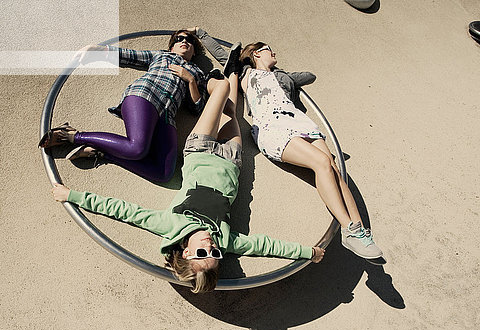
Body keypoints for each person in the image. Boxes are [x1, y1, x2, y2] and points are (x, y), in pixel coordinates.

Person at [51, 65, 325, 293]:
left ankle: (206, 81)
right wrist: (307, 252)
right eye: (215, 256)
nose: (211, 249)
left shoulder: (171, 225)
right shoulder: (227, 241)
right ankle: (235, 68)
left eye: (202, 254)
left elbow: (124, 211)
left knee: (221, 90)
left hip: (200, 149)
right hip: (232, 158)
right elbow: (265, 246)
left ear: (185, 253)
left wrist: (72, 196)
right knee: (234, 111)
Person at [196, 30, 382, 260]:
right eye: (269, 49)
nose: (274, 52)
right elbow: (223, 55)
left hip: (299, 121)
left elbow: (309, 76)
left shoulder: (283, 76)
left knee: (333, 167)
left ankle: (361, 231)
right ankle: (349, 230)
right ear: (256, 53)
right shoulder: (244, 72)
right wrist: (201, 34)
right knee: (322, 162)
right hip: (273, 124)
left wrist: (285, 76)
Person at [39, 30, 209, 183]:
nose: (184, 41)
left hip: (167, 117)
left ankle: (102, 153)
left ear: (194, 51)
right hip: (145, 96)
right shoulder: (161, 56)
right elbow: (130, 56)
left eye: (190, 40)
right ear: (172, 47)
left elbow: (197, 108)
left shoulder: (198, 74)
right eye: (179, 38)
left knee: (164, 173)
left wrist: (191, 80)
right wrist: (97, 50)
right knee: (137, 149)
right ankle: (72, 135)